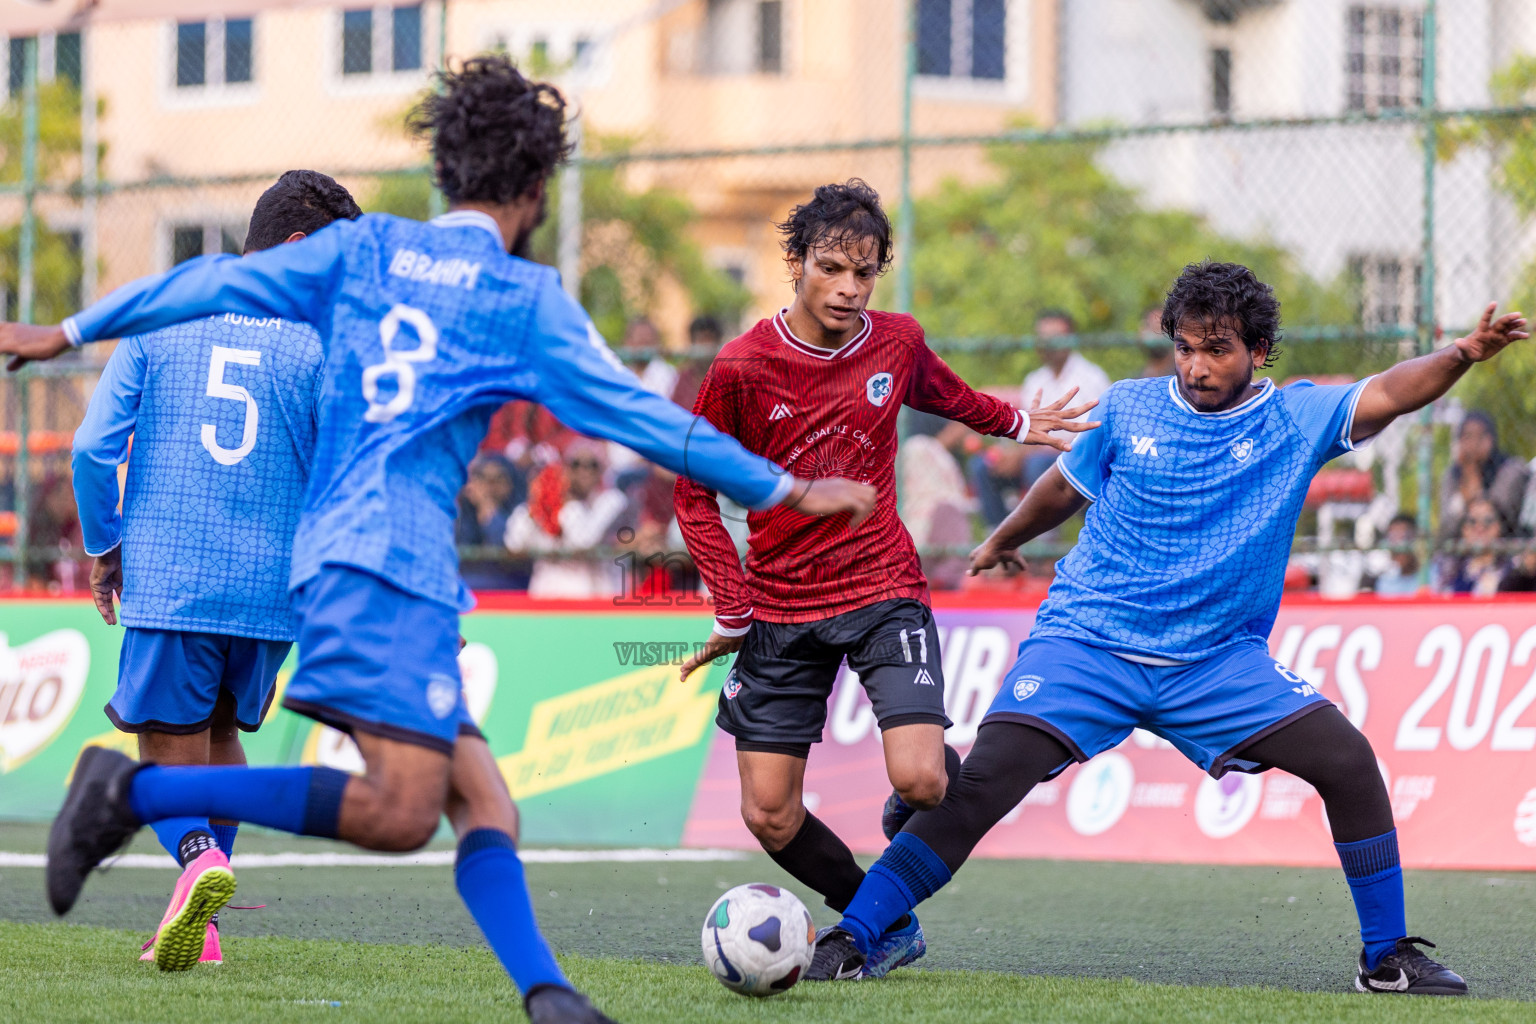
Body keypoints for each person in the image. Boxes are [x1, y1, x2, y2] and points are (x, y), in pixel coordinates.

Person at [3, 56, 874, 1024]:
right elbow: (648, 418)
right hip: (385, 566)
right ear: (539, 190)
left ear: (444, 170)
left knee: (484, 803)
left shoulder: (365, 248)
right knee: (400, 810)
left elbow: (209, 276)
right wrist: (785, 484)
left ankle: (549, 993)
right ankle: (135, 793)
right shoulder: (522, 300)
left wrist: (65, 331)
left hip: (361, 565)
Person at [807, 261, 1527, 997]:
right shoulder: (1129, 407)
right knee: (982, 785)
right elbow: (1065, 485)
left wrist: (1460, 355)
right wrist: (1003, 538)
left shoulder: (1294, 418)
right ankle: (857, 935)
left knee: (1347, 761)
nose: (1197, 366)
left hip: (1216, 662)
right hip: (1088, 641)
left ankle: (1387, 958)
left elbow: (1387, 393)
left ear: (1259, 351)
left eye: (1217, 349)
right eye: (1185, 347)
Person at [673, 180, 1098, 980]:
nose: (847, 287)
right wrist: (732, 605)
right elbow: (692, 490)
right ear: (795, 264)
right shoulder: (740, 365)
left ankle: (912, 837)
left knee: (925, 781)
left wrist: (1015, 423)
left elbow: (948, 394)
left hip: (879, 587)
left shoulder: (895, 342)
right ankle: (883, 919)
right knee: (767, 813)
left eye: (864, 272)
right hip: (779, 606)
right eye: (830, 267)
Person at [67, 169, 361, 968]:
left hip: (174, 573)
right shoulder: (323, 344)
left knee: (164, 747)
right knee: (223, 733)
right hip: (274, 592)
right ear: (298, 249)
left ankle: (201, 860)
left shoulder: (165, 309)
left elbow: (94, 447)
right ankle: (204, 932)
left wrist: (106, 545)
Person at [969, 310, 1111, 525]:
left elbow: (1091, 435)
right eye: (1043, 338)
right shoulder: (1035, 380)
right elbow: (1028, 428)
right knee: (983, 466)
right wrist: (1013, 454)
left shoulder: (1092, 377)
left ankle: (1045, 540)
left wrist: (1024, 454)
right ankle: (998, 540)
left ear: (1071, 338)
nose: (1049, 344)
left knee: (1038, 465)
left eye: (1056, 336)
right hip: (1032, 454)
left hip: (1076, 457)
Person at [505, 439, 629, 597]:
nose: (584, 471)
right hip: (546, 592)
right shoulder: (544, 506)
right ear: (565, 470)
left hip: (593, 593)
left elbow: (583, 541)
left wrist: (568, 504)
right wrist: (536, 505)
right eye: (576, 465)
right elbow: (514, 544)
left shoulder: (611, 500)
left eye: (592, 465)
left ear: (602, 470)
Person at [1437, 410, 1529, 541]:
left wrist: (1474, 482)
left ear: (1491, 439)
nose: (1474, 443)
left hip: (1506, 547)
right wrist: (1463, 498)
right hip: (1462, 550)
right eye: (1467, 436)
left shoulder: (1511, 469)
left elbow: (1501, 517)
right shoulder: (1452, 475)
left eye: (1481, 436)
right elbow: (1446, 527)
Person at [1436, 497, 1508, 596]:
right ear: (1464, 529)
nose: (1480, 527)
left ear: (1498, 526)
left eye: (1487, 521)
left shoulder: (1512, 568)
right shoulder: (1449, 567)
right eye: (1472, 521)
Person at [1138, 304, 1175, 378]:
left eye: (1160, 326)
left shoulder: (1180, 378)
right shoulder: (1137, 380)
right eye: (1149, 325)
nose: (1156, 334)